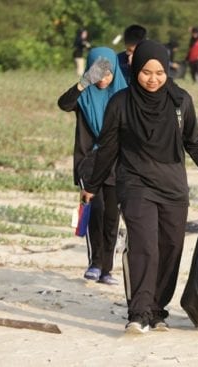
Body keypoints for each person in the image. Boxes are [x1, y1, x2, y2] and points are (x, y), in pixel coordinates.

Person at [79, 40, 198, 333]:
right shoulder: (120, 102)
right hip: (135, 184)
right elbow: (108, 148)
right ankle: (139, 312)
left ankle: (157, 308)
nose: (153, 78)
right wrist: (92, 184)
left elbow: (193, 142)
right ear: (136, 70)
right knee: (145, 247)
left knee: (170, 248)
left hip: (173, 186)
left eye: (159, 72)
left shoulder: (180, 100)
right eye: (146, 72)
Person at [58, 47, 128, 285]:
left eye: (107, 74)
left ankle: (107, 269)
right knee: (95, 211)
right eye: (98, 73)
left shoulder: (124, 94)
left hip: (117, 163)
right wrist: (83, 82)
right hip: (90, 161)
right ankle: (95, 264)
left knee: (111, 215)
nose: (103, 79)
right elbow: (64, 104)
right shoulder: (84, 95)